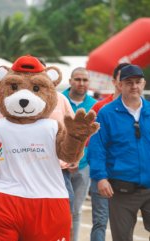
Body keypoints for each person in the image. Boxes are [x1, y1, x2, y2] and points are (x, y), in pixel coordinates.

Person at [88, 64, 150, 241]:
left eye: (138, 82)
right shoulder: (106, 113)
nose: (134, 86)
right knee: (122, 238)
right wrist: (100, 177)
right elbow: (97, 147)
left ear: (144, 83)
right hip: (121, 189)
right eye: (129, 82)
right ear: (119, 85)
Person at [89, 63, 129, 241]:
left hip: (129, 176)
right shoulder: (100, 108)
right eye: (123, 79)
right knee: (100, 220)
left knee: (125, 223)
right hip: (103, 173)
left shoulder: (140, 110)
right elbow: (90, 141)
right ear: (114, 81)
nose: (128, 83)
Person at [62, 67, 97, 241]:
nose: (81, 83)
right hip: (58, 166)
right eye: (77, 79)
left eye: (85, 80)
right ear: (70, 81)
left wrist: (79, 158)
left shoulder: (94, 105)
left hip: (83, 167)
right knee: (60, 209)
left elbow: (96, 139)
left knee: (76, 210)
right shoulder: (58, 100)